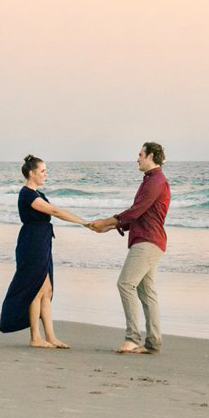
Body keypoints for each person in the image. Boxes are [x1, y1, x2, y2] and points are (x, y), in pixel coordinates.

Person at [89, 141, 171, 355]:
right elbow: (139, 214)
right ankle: (153, 343)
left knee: (125, 284)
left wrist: (108, 222)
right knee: (147, 292)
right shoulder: (151, 180)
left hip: (148, 241)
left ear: (151, 156)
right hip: (148, 240)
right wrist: (109, 227)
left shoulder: (156, 180)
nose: (137, 158)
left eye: (140, 154)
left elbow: (136, 211)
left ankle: (133, 338)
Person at [0, 154, 86, 348]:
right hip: (32, 243)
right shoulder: (27, 194)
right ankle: (35, 337)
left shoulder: (37, 193)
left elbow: (52, 210)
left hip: (42, 242)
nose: (46, 174)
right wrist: (84, 222)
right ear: (32, 173)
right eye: (42, 171)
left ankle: (50, 336)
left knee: (47, 290)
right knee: (35, 288)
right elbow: (54, 211)